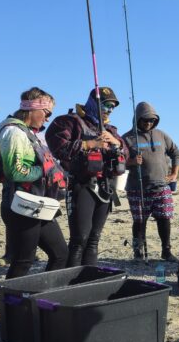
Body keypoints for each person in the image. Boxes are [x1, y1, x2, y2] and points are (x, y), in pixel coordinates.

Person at [46, 86, 128, 266]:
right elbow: (57, 145)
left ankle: (89, 279)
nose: (110, 110)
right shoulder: (69, 122)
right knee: (79, 239)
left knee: (93, 239)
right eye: (106, 105)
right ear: (94, 103)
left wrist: (117, 143)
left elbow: (127, 153)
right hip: (81, 186)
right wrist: (90, 143)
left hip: (106, 187)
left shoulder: (110, 130)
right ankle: (71, 281)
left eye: (113, 107)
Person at [0, 87, 67, 278]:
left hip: (37, 204)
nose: (48, 118)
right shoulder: (13, 133)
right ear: (32, 109)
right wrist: (46, 173)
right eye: (47, 113)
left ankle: (42, 299)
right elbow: (15, 172)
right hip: (21, 206)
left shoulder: (29, 134)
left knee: (60, 254)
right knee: (24, 260)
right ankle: (11, 305)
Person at [121, 101, 179, 262]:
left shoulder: (161, 135)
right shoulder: (127, 138)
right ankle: (138, 251)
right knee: (140, 221)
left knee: (164, 218)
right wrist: (131, 162)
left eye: (152, 120)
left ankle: (166, 251)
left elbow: (176, 153)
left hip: (161, 186)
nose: (149, 123)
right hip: (137, 188)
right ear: (137, 119)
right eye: (145, 120)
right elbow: (118, 161)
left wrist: (174, 173)